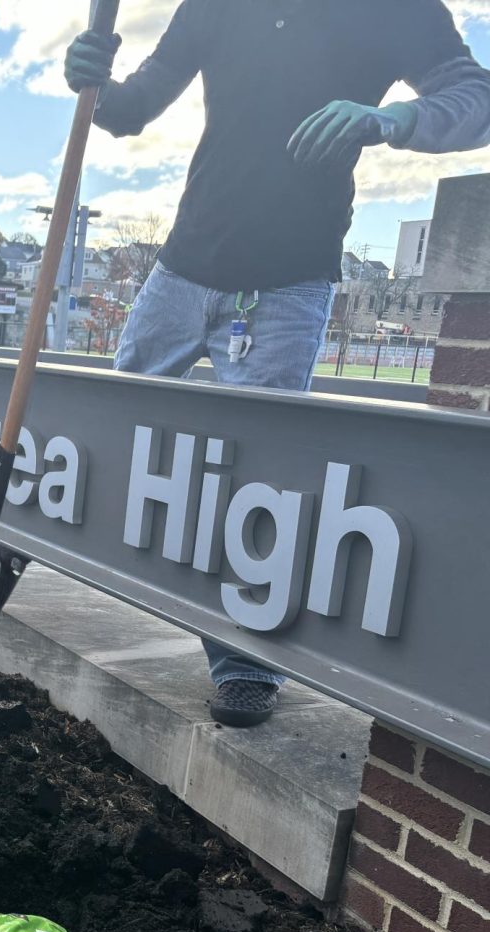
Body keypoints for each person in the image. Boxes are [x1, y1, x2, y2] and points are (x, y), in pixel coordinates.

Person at [65, 0, 490, 727]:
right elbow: (135, 106)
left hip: (290, 284)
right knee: (113, 429)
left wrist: (390, 121)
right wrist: (93, 83)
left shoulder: (400, 8)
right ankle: (69, 560)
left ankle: (245, 664)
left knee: (258, 479)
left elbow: (475, 96)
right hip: (182, 267)